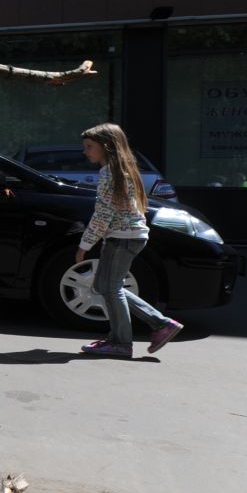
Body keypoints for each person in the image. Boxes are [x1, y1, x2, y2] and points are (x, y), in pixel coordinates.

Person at [75, 123, 183, 358]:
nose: (86, 152)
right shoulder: (123, 169)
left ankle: (121, 343)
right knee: (104, 287)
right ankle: (161, 324)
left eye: (89, 147)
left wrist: (84, 245)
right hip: (129, 236)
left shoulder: (109, 173)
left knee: (111, 289)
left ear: (106, 146)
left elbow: (103, 213)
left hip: (122, 238)